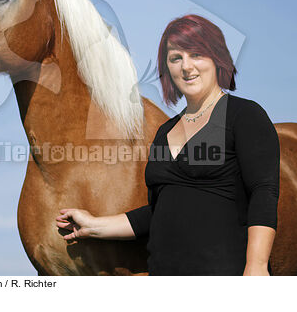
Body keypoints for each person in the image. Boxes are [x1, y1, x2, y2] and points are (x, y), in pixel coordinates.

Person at [56, 14, 280, 276]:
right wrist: (94, 226)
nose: (186, 67)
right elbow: (159, 211)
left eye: (196, 54)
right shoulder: (164, 132)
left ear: (217, 58)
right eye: (176, 58)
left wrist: (257, 265)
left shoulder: (244, 115)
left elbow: (264, 191)